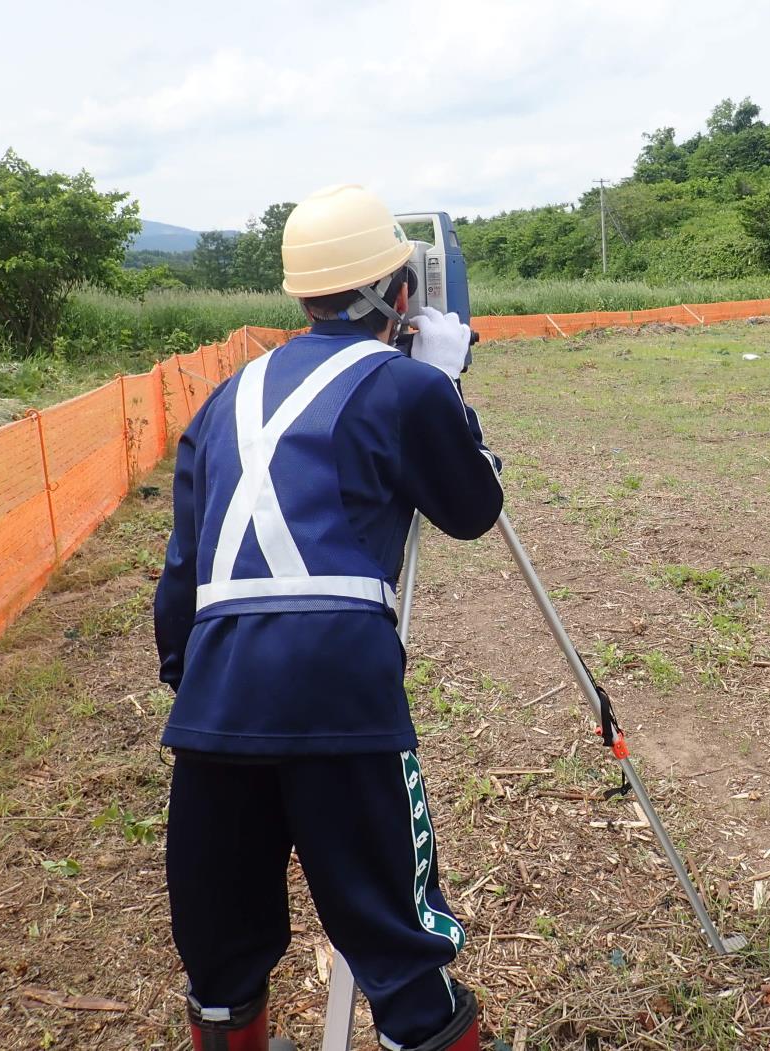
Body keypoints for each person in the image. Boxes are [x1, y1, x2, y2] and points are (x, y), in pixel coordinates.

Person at [153, 184, 502, 1051]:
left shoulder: (223, 398)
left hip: (215, 697)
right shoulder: (404, 385)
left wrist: (193, 680)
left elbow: (182, 573)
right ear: (402, 293)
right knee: (397, 937)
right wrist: (443, 382)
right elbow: (471, 508)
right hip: (340, 690)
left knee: (220, 945)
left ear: (301, 295)